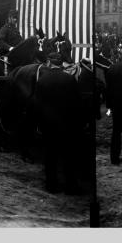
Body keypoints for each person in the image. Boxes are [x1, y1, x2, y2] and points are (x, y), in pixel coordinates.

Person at [35, 52, 84, 194]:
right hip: (67, 124)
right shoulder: (69, 79)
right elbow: (77, 104)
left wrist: (39, 124)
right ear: (62, 63)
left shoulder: (42, 80)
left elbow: (37, 105)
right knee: (69, 156)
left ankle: (51, 185)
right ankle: (71, 186)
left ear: (49, 63)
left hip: (48, 125)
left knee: (50, 156)